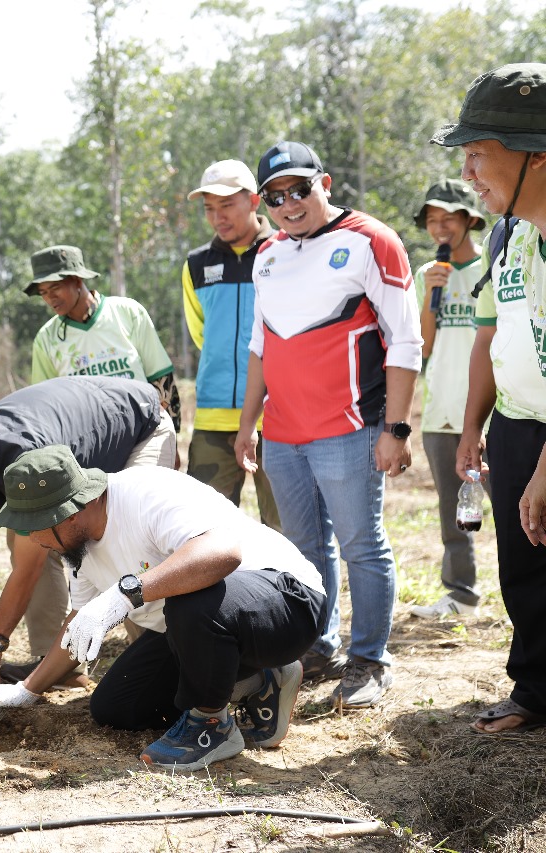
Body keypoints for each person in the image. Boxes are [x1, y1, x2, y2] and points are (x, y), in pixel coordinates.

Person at [0, 446, 324, 773]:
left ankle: (211, 724)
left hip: (287, 601)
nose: (33, 540)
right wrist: (28, 689)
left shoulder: (146, 494)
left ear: (70, 512)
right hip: (207, 626)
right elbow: (79, 620)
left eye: (36, 528)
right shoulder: (76, 549)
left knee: (189, 597)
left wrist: (126, 594)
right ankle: (258, 680)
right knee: (117, 706)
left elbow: (223, 553)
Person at [233, 141, 422, 709]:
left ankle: (370, 661)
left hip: (352, 427)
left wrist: (397, 427)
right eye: (275, 195)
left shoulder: (372, 240)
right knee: (305, 547)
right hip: (285, 436)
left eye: (299, 189)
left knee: (362, 545)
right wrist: (249, 425)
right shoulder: (267, 255)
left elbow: (406, 340)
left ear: (326, 184)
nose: (289, 203)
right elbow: (261, 348)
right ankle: (319, 645)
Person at [0, 375, 176, 699]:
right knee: (38, 536)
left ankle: (162, 656)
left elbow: (27, 569)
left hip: (140, 425)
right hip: (81, 430)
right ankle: (61, 665)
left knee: (117, 539)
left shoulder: (25, 456)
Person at [436, 62, 546, 733]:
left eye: (479, 153)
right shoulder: (512, 234)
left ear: (537, 152)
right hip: (517, 424)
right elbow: (495, 334)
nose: (470, 173)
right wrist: (480, 423)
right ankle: (535, 690)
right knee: (524, 569)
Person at [181, 160, 281, 529]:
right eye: (209, 208)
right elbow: (201, 333)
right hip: (212, 420)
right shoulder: (195, 265)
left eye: (226, 205)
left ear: (254, 201)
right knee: (204, 531)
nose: (217, 217)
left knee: (286, 530)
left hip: (279, 418)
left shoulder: (284, 252)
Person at [410, 179, 485, 619]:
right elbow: (422, 347)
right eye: (431, 220)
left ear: (469, 219)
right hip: (441, 414)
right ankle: (462, 595)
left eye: (448, 218)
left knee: (523, 509)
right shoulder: (426, 275)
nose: (439, 227)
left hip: (493, 414)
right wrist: (431, 299)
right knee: (454, 512)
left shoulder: (491, 268)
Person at [27, 244, 180, 436]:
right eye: (43, 293)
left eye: (55, 288)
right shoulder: (46, 339)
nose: (50, 298)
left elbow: (162, 378)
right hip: (89, 441)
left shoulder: (128, 312)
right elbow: (44, 404)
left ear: (76, 280)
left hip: (143, 433)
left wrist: (171, 436)